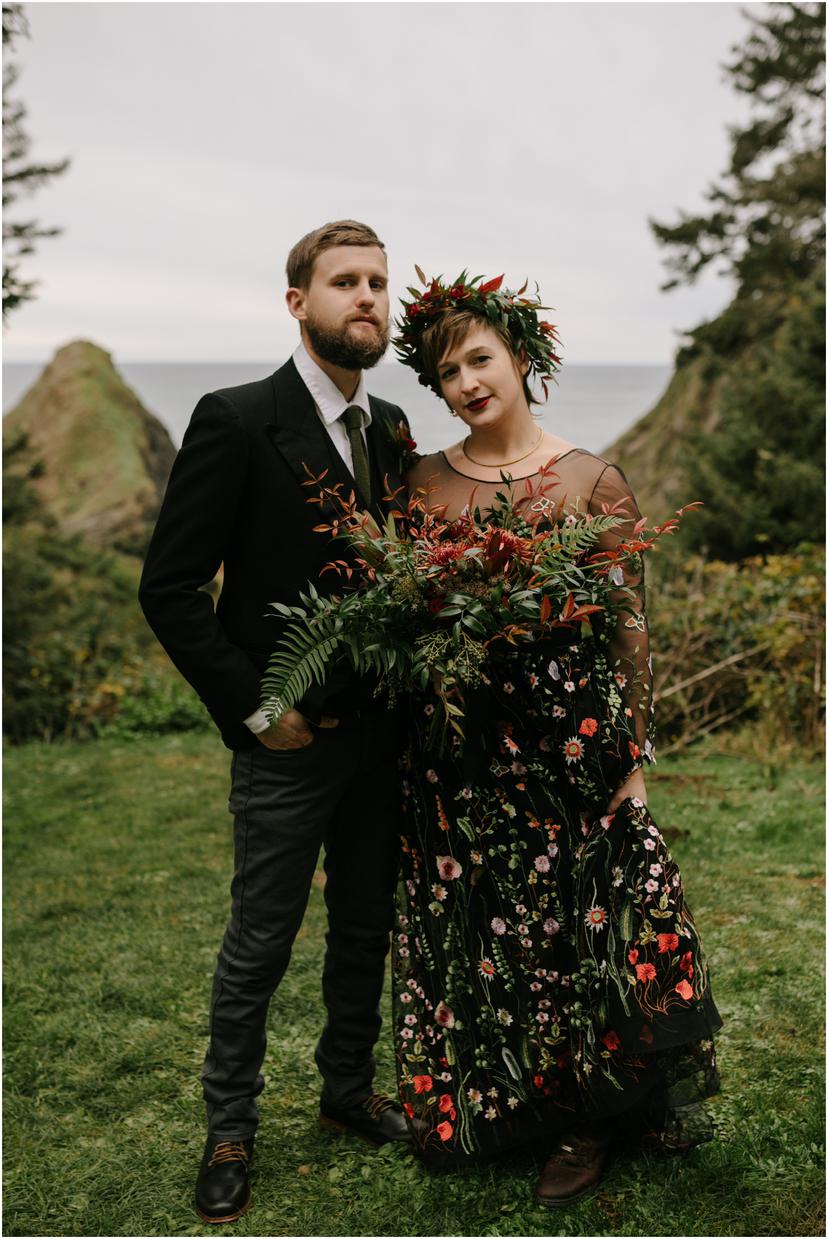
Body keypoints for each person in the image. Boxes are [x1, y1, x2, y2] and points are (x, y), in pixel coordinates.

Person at [390, 273, 722, 1207]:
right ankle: (507, 1099)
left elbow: (630, 629)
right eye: (447, 369)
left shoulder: (590, 480)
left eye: (479, 358)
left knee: (582, 931)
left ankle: (591, 1116)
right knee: (491, 932)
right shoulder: (420, 483)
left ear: (522, 359)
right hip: (459, 753)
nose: (464, 381)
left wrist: (634, 759)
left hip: (571, 748)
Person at [139, 220, 415, 1226]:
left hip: (381, 741)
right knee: (260, 940)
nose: (368, 299)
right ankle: (230, 1129)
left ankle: (347, 1094)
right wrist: (259, 708)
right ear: (297, 301)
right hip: (285, 745)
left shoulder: (391, 433)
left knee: (363, 928)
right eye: (346, 281)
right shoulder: (236, 418)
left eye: (379, 282)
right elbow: (168, 589)